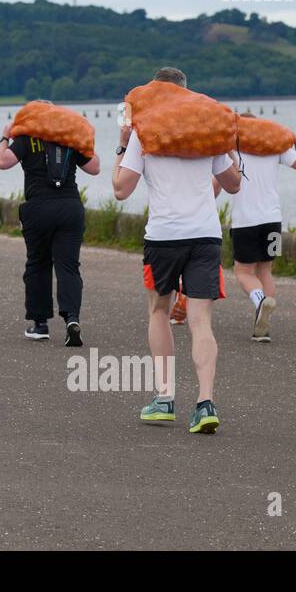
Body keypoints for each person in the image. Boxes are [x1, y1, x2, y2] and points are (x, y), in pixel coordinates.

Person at [112, 68, 242, 435]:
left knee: (159, 310)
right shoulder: (207, 131)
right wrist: (228, 150)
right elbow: (232, 185)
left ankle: (165, 398)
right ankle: (204, 404)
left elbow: (121, 189)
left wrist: (123, 143)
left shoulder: (143, 131)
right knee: (201, 321)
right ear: (187, 93)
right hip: (204, 235)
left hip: (163, 237)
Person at [0, 114, 101, 346]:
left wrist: (5, 136)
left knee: (38, 264)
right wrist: (84, 139)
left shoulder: (26, 139)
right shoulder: (70, 139)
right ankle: (72, 318)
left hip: (38, 210)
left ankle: (40, 324)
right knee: (69, 266)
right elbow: (95, 168)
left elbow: (3, 162)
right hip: (70, 208)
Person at [230, 114, 296, 342]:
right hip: (273, 220)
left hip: (245, 221)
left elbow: (220, 184)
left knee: (243, 272)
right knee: (265, 270)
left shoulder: (232, 148)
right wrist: (295, 138)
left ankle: (259, 302)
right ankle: (265, 320)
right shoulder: (274, 146)